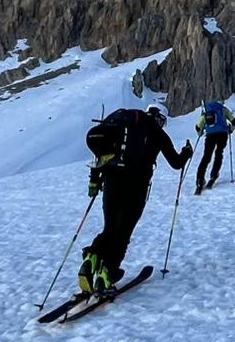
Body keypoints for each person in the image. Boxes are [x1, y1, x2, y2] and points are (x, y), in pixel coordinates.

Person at [77, 103, 192, 294]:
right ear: (161, 118)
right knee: (123, 231)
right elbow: (176, 163)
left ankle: (92, 257)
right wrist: (187, 152)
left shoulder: (121, 125)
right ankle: (108, 273)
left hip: (112, 181)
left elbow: (101, 155)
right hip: (136, 186)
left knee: (110, 227)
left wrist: (94, 181)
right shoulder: (157, 132)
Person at [194, 99, 235, 194]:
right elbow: (234, 121)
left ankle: (199, 180)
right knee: (219, 153)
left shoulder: (206, 110)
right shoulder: (223, 109)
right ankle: (214, 175)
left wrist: (200, 133)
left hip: (210, 135)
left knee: (206, 157)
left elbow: (198, 126)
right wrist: (231, 129)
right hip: (222, 134)